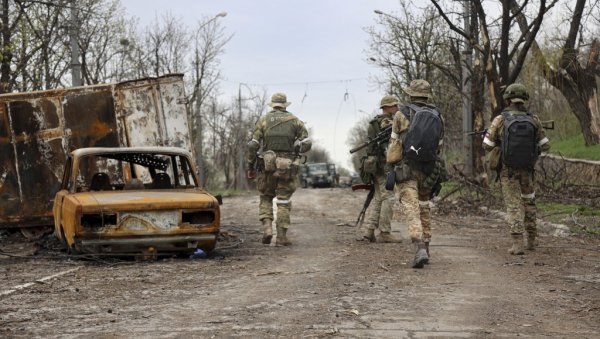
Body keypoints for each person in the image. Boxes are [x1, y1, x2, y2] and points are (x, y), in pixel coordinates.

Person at [483, 83, 550, 255]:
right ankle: (532, 240)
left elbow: (486, 145)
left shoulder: (500, 119)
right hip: (527, 170)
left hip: (508, 171)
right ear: (524, 99)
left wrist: (498, 139)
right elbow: (545, 145)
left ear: (508, 99)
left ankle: (517, 243)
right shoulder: (534, 119)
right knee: (529, 201)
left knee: (513, 204)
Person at [386, 79, 445, 268]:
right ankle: (426, 247)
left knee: (412, 208)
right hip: (429, 168)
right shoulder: (437, 115)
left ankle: (419, 246)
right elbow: (440, 146)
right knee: (424, 206)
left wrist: (391, 166)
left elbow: (394, 146)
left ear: (410, 94)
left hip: (407, 168)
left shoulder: (401, 114)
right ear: (427, 95)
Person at [246, 92, 311, 246]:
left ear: (273, 104)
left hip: (266, 167)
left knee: (266, 197)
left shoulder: (263, 120)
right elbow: (307, 143)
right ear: (285, 105)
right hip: (287, 167)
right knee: (284, 201)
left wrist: (250, 165)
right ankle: (281, 237)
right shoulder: (295, 121)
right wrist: (298, 150)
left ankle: (267, 228)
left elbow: (253, 145)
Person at [358, 95, 402, 243]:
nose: (397, 108)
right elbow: (390, 142)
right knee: (388, 196)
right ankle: (385, 232)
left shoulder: (374, 122)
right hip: (383, 165)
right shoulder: (386, 122)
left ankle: (369, 231)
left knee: (379, 197)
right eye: (394, 106)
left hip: (375, 165)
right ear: (388, 108)